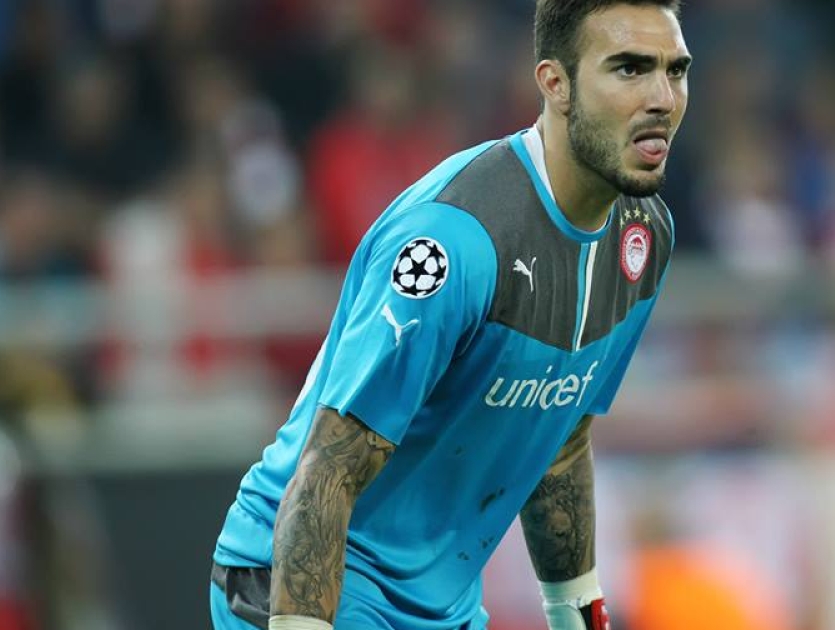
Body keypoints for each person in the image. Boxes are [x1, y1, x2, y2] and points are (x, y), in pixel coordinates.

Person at [209, 1, 691, 629]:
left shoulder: (644, 235)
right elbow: (330, 468)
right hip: (303, 581)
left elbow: (559, 439)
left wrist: (578, 615)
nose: (661, 98)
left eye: (675, 71)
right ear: (556, 84)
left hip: (442, 605)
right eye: (629, 69)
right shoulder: (453, 241)